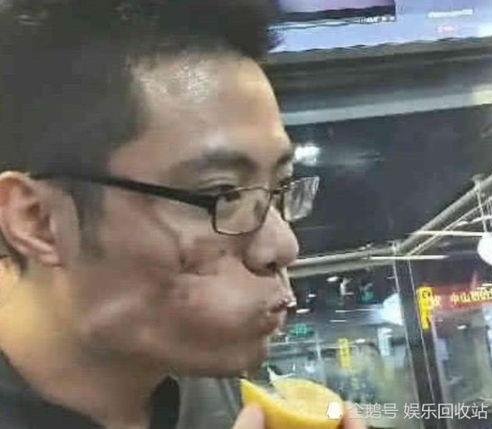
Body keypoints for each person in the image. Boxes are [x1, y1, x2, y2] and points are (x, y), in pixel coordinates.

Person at [0, 1, 366, 428]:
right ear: (38, 221)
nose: (282, 246)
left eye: (280, 187)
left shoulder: (232, 395)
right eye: (220, 193)